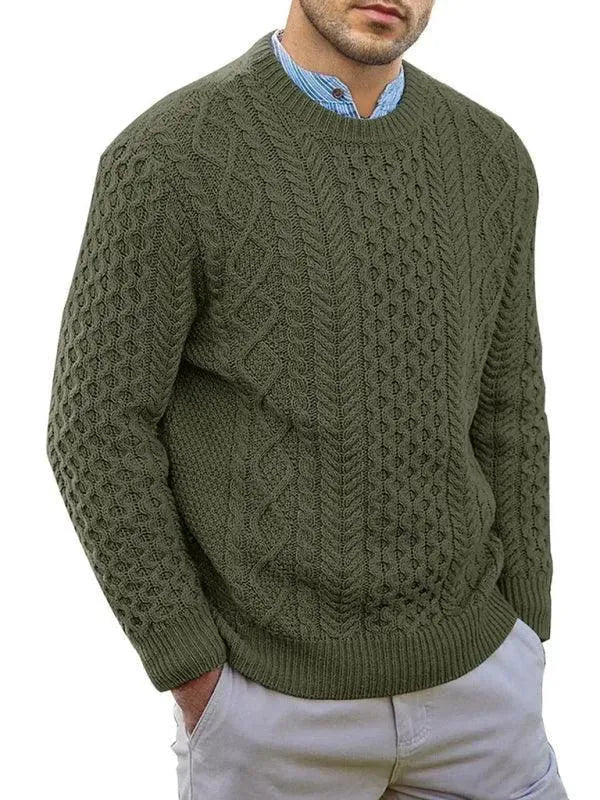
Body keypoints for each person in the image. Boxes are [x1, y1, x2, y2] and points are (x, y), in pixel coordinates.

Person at [46, 1, 570, 797]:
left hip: (482, 692)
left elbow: (510, 406)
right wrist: (189, 664)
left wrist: (528, 624)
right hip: (270, 712)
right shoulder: (170, 156)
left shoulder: (490, 155)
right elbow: (95, 426)